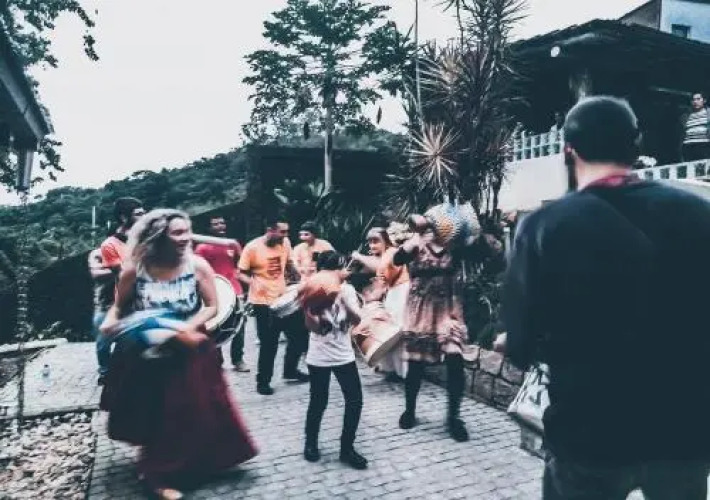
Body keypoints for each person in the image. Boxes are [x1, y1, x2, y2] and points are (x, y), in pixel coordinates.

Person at [501, 96, 710, 499]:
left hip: (590, 433)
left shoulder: (543, 227)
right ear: (636, 144)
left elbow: (520, 345)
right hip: (683, 430)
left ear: (569, 152)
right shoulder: (698, 214)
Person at [99, 209, 257, 500]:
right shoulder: (135, 270)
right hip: (148, 352)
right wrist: (110, 322)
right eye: (178, 233)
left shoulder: (198, 266)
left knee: (199, 409)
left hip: (189, 348)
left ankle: (204, 460)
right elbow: (119, 307)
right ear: (158, 237)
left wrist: (183, 329)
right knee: (160, 413)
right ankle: (156, 474)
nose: (187, 238)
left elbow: (211, 306)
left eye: (188, 230)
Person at [393, 218, 469, 442]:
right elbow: (397, 259)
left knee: (455, 361)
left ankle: (453, 418)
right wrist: (416, 237)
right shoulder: (417, 243)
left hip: (448, 310)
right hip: (421, 311)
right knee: (415, 364)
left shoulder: (455, 247)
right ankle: (409, 410)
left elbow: (486, 251)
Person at [302, 251, 368, 470]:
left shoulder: (347, 290)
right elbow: (312, 327)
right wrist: (310, 310)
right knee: (318, 401)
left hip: (343, 355)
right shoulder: (312, 288)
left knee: (355, 400)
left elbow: (357, 320)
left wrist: (343, 301)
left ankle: (347, 448)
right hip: (318, 355)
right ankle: (310, 444)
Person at [238, 216, 309, 395]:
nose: (286, 235)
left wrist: (299, 277)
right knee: (269, 344)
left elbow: (289, 263)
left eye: (287, 231)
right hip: (263, 303)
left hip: (283, 298)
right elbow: (240, 274)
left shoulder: (285, 243)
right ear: (270, 230)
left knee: (299, 336)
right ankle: (263, 382)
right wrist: (253, 283)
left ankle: (290, 371)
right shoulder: (252, 247)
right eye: (282, 231)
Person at [194, 214, 249, 372]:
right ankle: (217, 361)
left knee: (239, 326)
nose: (220, 226)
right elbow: (198, 271)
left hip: (235, 290)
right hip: (216, 292)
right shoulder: (202, 248)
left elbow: (241, 265)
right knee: (215, 327)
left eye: (222, 223)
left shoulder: (231, 244)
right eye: (216, 224)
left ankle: (238, 360)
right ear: (209, 228)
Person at [374, 224, 411, 380]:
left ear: (386, 241)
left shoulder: (390, 254)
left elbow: (385, 278)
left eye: (376, 241)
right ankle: (394, 368)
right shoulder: (388, 254)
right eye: (370, 242)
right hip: (395, 292)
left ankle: (401, 371)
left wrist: (374, 295)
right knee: (392, 331)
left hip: (400, 292)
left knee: (396, 331)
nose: (372, 246)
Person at [87, 248, 114, 385]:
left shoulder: (130, 250)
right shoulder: (98, 253)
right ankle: (105, 372)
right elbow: (96, 273)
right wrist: (121, 268)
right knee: (103, 344)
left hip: (128, 306)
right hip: (104, 307)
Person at [100, 197, 145, 275]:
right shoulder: (110, 245)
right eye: (139, 214)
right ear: (124, 218)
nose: (144, 217)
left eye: (144, 213)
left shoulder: (151, 237)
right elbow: (123, 274)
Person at [680, 92, 710, 162]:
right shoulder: (685, 116)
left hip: (704, 145)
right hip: (688, 146)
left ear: (704, 100)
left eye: (698, 99)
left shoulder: (708, 113)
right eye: (693, 100)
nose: (695, 102)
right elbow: (682, 133)